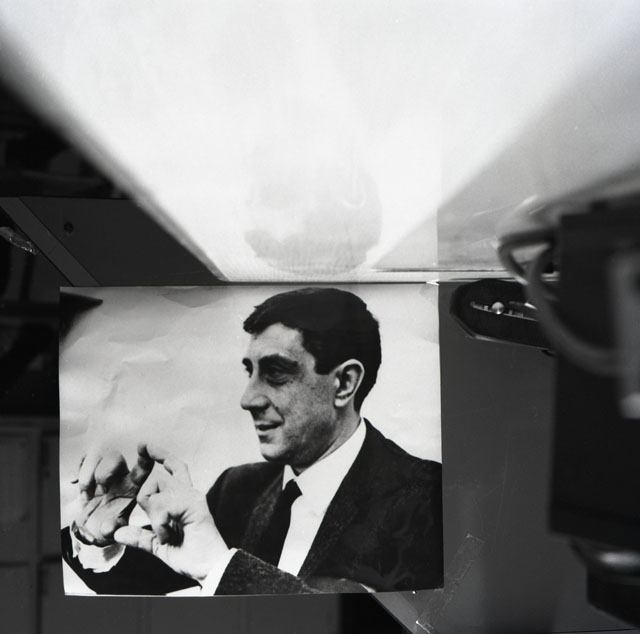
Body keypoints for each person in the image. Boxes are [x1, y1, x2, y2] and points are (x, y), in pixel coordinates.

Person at [62, 288, 443, 594]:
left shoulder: (429, 499)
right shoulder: (239, 487)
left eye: (276, 373)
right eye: (251, 372)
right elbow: (161, 577)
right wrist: (101, 536)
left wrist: (220, 568)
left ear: (344, 383)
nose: (248, 399)